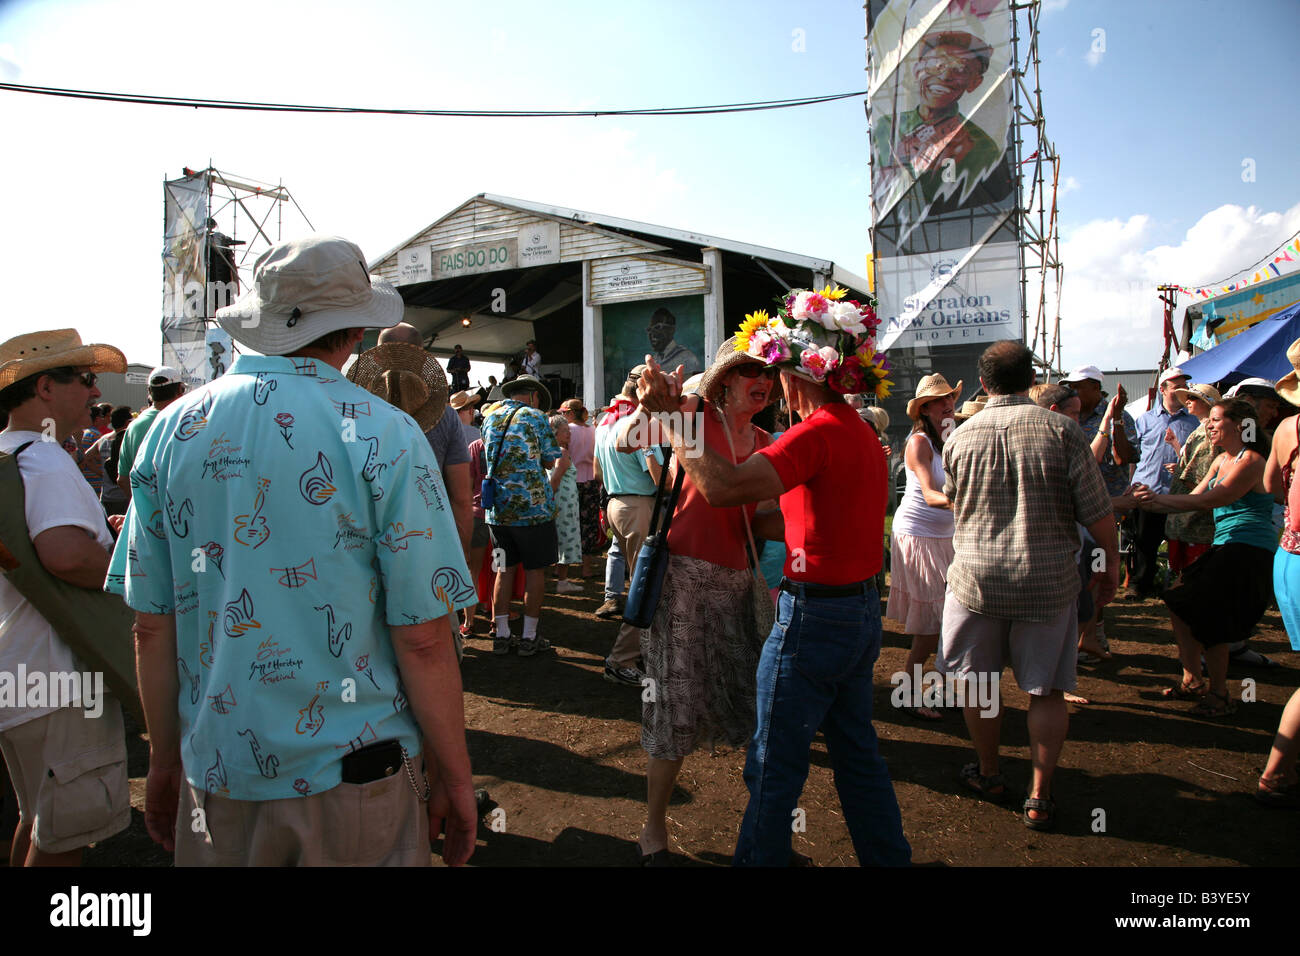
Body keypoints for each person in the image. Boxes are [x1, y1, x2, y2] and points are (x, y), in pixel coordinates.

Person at [107, 235, 477, 865]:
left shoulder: (169, 431)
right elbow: (423, 638)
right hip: (358, 774)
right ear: (356, 330)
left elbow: (151, 627)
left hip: (218, 777)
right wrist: (457, 776)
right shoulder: (388, 433)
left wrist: (163, 761)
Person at [637, 288, 910, 866]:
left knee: (773, 764)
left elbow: (723, 489)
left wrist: (669, 421)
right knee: (858, 754)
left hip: (815, 616)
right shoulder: (857, 430)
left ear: (794, 373)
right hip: (858, 611)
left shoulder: (812, 433)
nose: (770, 382)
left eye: (774, 370)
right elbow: (776, 518)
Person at [940, 342, 1117, 831]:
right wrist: (1111, 564)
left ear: (984, 381)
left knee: (980, 683)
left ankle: (990, 772)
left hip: (977, 578)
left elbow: (956, 503)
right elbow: (1098, 513)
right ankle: (1039, 797)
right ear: (1029, 377)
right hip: (1047, 580)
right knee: (1047, 691)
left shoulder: (959, 436)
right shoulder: (1063, 430)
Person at [614, 338, 776, 864]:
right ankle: (652, 830)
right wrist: (645, 403)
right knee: (672, 706)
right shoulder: (690, 416)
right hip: (680, 581)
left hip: (737, 585)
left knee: (757, 710)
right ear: (724, 383)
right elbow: (622, 441)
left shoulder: (771, 442)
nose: (764, 381)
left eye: (769, 375)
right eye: (751, 372)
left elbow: (764, 520)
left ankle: (764, 836)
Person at [0, 328, 132, 865]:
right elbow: (65, 555)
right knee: (66, 837)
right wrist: (131, 573)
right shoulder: (45, 458)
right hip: (60, 678)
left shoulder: (9, 453)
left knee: (37, 821)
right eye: (83, 378)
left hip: (20, 672)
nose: (95, 390)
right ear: (44, 388)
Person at [1132, 398, 1275, 718]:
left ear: (1240, 426)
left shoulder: (1251, 460)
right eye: (1208, 420)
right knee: (1178, 600)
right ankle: (1193, 680)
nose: (1208, 425)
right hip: (1226, 545)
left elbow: (1213, 499)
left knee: (1211, 616)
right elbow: (1193, 498)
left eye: (1215, 419)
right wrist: (1148, 503)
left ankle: (1220, 695)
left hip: (1248, 548)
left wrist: (1156, 501)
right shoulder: (1222, 459)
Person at [872, 28, 1011, 217]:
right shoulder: (885, 126)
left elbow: (988, 206)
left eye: (960, 69)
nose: (945, 76)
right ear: (917, 70)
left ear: (974, 82)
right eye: (937, 64)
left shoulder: (983, 147)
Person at [887, 373, 961, 722]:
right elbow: (931, 495)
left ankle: (939, 689)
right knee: (932, 626)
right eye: (940, 400)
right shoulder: (919, 443)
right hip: (918, 536)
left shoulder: (950, 438)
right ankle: (907, 694)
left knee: (955, 620)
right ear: (925, 408)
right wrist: (966, 504)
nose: (948, 404)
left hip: (945, 536)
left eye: (950, 398)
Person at [371, 324, 473, 563]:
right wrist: (462, 555)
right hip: (426, 543)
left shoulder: (354, 410)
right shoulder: (445, 416)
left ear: (376, 357)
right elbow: (461, 498)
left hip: (365, 544)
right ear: (420, 358)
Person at [481, 373, 561, 656]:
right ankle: (528, 637)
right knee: (535, 571)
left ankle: (501, 634)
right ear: (534, 396)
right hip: (533, 512)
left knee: (503, 569)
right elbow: (551, 459)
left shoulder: (489, 417)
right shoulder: (536, 417)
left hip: (499, 513)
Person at [593, 368, 664, 685]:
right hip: (639, 505)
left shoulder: (606, 426)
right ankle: (621, 659)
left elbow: (597, 472)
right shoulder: (640, 425)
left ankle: (638, 655)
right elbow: (660, 478)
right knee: (644, 586)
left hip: (616, 505)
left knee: (640, 583)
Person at [1259, 340, 1300, 805]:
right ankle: (1275, 773)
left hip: (1287, 557)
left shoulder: (1288, 428)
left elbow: (1272, 486)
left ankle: (1277, 771)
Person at [1129, 366, 1196, 598]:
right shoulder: (1145, 420)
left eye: (1184, 386)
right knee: (1145, 543)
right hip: (1148, 491)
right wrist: (1131, 485)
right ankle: (1139, 585)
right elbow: (1133, 457)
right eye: (1177, 386)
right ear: (1163, 389)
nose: (1182, 391)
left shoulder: (1195, 421)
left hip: (1180, 495)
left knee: (1182, 543)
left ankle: (1181, 585)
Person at [1164, 383, 1221, 583]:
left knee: (1191, 579)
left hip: (1194, 521)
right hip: (1186, 518)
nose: (1187, 400)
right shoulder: (1200, 429)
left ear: (1207, 404)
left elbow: (1201, 477)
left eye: (1193, 397)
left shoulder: (1207, 432)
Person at [116, 365, 186, 498]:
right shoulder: (187, 422)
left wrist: (142, 506)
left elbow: (123, 479)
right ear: (180, 389)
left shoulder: (133, 426)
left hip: (144, 514)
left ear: (149, 391)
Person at [559, 398, 601, 581]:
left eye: (563, 413)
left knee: (567, 524)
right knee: (589, 524)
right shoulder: (593, 430)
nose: (562, 416)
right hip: (591, 480)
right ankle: (586, 568)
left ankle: (561, 569)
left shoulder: (567, 431)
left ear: (569, 413)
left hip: (571, 482)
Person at [547, 414, 583, 594]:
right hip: (564, 504)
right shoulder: (561, 452)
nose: (569, 433)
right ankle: (563, 580)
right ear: (555, 433)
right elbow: (555, 480)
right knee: (566, 538)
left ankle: (560, 575)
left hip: (562, 501)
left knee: (559, 537)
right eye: (564, 431)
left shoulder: (552, 451)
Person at [94, 404, 134, 517]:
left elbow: (87, 457)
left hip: (106, 496)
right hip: (123, 497)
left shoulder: (104, 439)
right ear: (127, 423)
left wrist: (101, 472)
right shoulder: (126, 441)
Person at [646, 307, 702, 381]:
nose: (652, 334)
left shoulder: (687, 358)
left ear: (671, 330)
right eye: (649, 330)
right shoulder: (654, 360)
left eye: (657, 327)